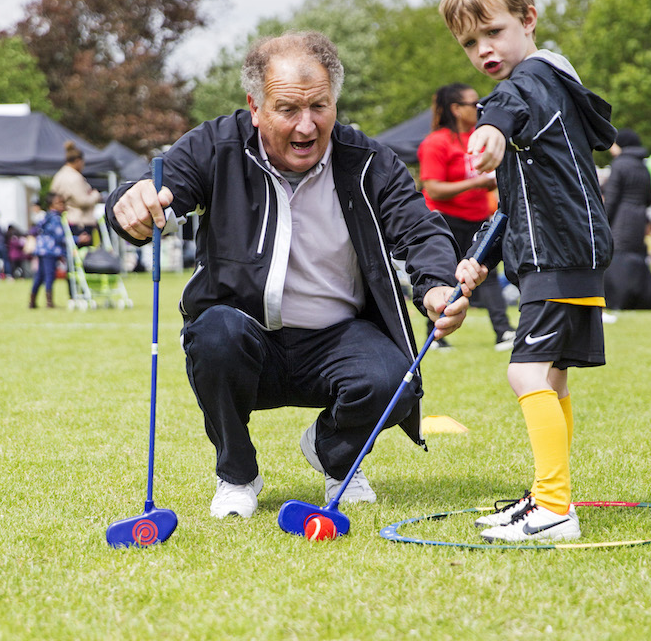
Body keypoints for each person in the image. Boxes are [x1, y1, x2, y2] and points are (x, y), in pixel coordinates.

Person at [106, 31, 487, 520]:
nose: (307, 125)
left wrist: (436, 284)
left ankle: (333, 452)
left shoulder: (370, 162)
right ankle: (237, 473)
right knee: (214, 334)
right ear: (255, 106)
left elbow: (418, 227)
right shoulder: (216, 145)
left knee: (396, 379)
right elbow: (153, 191)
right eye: (288, 108)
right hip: (244, 339)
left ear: (335, 102)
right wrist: (129, 204)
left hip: (339, 338)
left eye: (320, 106)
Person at [441, 0, 616, 543]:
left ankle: (554, 509)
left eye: (494, 31)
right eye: (471, 42)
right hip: (567, 255)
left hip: (559, 257)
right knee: (555, 377)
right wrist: (481, 256)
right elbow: (513, 204)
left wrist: (487, 128)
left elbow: (505, 109)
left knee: (526, 373)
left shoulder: (533, 81)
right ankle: (548, 495)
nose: (484, 49)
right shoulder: (541, 87)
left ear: (529, 19)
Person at [418, 82, 516, 351]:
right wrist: (476, 184)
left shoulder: (481, 136)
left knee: (487, 273)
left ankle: (504, 331)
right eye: (474, 103)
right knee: (446, 276)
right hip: (444, 219)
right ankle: (435, 335)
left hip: (477, 217)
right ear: (457, 109)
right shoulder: (436, 143)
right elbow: (433, 188)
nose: (480, 107)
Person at [602, 129, 651, 310]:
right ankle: (645, 298)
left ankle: (618, 300)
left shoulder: (619, 165)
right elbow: (649, 197)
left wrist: (603, 220)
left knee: (618, 261)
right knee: (636, 261)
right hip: (639, 221)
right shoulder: (644, 167)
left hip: (621, 221)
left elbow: (612, 198)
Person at [50, 141, 102, 243]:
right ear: (78, 161)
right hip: (80, 222)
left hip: (66, 221)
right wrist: (96, 195)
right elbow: (82, 201)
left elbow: (51, 196)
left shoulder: (58, 176)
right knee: (84, 256)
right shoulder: (75, 177)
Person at [29, 193, 68, 308]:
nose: (61, 205)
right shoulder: (56, 218)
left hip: (41, 249)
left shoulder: (46, 216)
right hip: (50, 250)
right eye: (58, 203)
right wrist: (78, 239)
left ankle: (32, 302)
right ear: (51, 205)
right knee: (49, 275)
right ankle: (49, 303)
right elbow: (60, 236)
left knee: (40, 276)